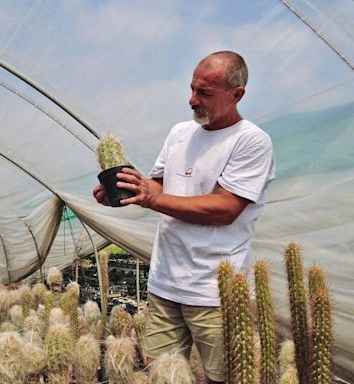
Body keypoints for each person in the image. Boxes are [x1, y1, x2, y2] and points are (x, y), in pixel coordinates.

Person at [93, 51, 275, 383]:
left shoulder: (251, 142)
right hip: (165, 281)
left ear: (237, 95)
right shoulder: (180, 132)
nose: (192, 100)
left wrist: (153, 198)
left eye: (204, 93)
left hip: (214, 291)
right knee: (160, 371)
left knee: (223, 375)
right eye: (192, 89)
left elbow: (225, 209)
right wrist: (123, 190)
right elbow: (159, 183)